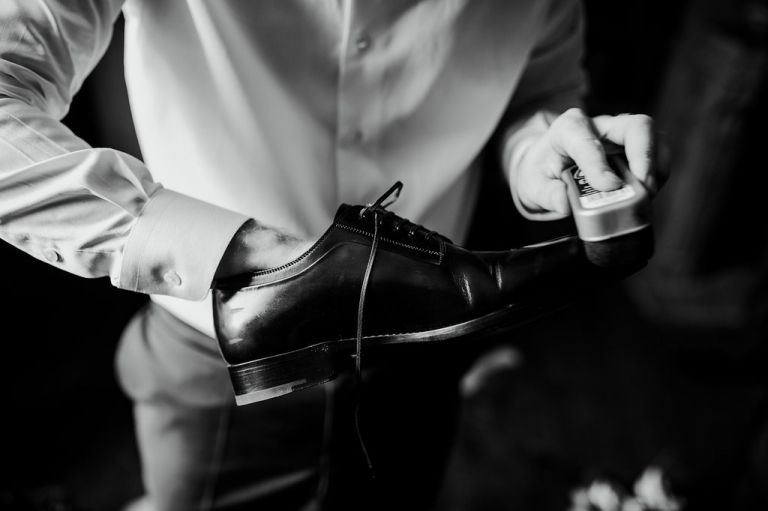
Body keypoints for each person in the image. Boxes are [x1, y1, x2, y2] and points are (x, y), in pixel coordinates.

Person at [0, 1, 660, 509]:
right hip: (218, 353)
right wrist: (242, 250)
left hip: (424, 346)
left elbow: (537, 89)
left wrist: (538, 151)